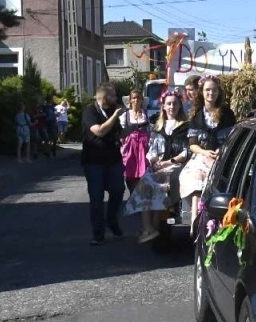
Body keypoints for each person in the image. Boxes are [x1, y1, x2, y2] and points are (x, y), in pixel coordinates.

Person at [126, 90, 189, 245]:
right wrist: (152, 160)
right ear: (163, 106)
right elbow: (152, 150)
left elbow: (186, 152)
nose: (172, 106)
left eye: (175, 103)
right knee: (145, 183)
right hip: (159, 165)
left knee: (158, 183)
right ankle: (149, 228)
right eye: (169, 103)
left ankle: (154, 228)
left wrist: (168, 162)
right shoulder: (158, 127)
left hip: (176, 165)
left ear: (180, 105)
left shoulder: (186, 126)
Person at [80, 84, 126, 245]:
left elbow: (118, 133)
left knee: (118, 190)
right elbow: (99, 131)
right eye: (113, 96)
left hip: (113, 159)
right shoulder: (90, 111)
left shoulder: (111, 109)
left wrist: (135, 129)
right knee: (96, 197)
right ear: (104, 97)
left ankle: (111, 220)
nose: (116, 99)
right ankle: (98, 233)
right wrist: (115, 116)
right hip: (94, 161)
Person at [178, 74, 236, 203]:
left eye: (214, 90)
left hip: (221, 156)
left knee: (215, 181)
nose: (211, 93)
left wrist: (221, 151)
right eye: (207, 90)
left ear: (218, 92)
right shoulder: (196, 115)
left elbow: (232, 139)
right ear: (202, 92)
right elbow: (192, 144)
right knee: (195, 180)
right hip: (201, 156)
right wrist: (204, 152)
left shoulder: (227, 114)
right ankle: (195, 221)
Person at [119, 87, 150, 190]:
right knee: (129, 172)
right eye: (134, 98)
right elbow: (121, 133)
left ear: (142, 100)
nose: (136, 100)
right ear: (130, 100)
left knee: (144, 173)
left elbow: (151, 130)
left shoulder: (146, 114)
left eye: (138, 98)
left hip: (144, 147)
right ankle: (132, 193)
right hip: (130, 146)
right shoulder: (125, 115)